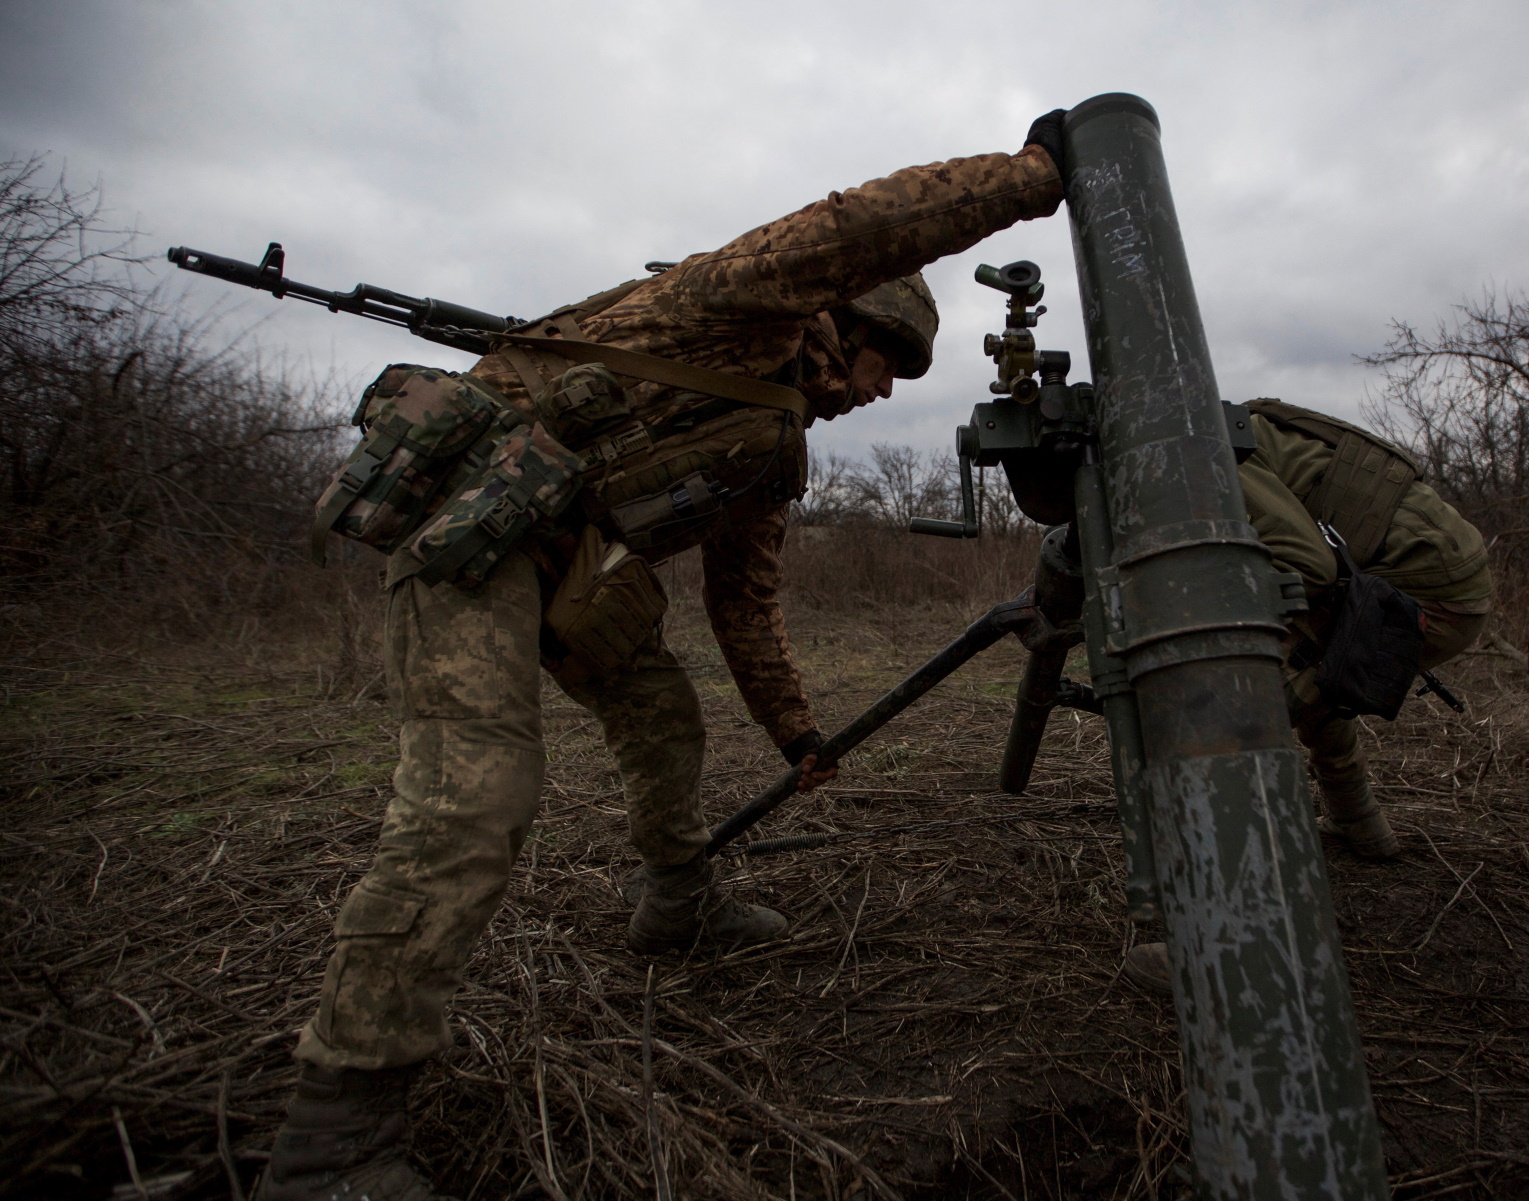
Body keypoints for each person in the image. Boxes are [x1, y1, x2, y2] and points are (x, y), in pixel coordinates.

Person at [256, 112, 1073, 1201]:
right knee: (474, 793)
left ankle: (677, 900)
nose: (883, 390)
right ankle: (332, 1136)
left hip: (566, 558)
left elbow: (746, 601)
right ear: (848, 317)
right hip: (472, 527)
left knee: (661, 710)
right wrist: (1032, 179)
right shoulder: (731, 308)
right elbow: (859, 223)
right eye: (890, 361)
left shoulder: (772, 445)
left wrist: (795, 732)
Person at [1123, 398, 1492, 995]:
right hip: (1429, 573)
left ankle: (1235, 942)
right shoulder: (1213, 425)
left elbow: (1309, 568)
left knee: (1240, 711)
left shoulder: (1201, 449)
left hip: (1424, 597)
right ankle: (1360, 825)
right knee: (1316, 680)